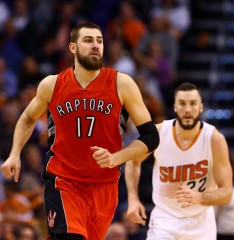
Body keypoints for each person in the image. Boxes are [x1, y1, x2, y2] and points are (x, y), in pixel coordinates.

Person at [1, 22, 159, 240]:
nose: (96, 45)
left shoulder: (122, 84)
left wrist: (117, 157)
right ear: (73, 47)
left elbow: (151, 136)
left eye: (100, 41)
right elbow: (28, 117)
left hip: (105, 186)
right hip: (64, 181)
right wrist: (15, 153)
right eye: (88, 40)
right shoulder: (52, 85)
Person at [125, 82, 233, 240]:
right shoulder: (160, 132)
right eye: (182, 104)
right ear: (175, 107)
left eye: (193, 104)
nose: (188, 109)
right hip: (165, 220)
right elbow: (132, 160)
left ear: (201, 107)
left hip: (201, 222)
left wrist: (199, 197)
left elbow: (226, 193)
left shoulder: (214, 139)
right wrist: (133, 199)